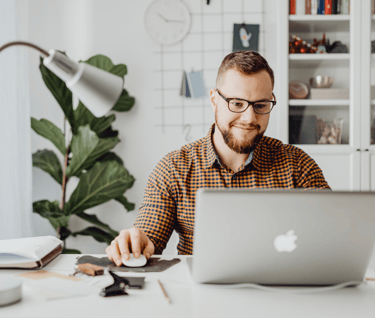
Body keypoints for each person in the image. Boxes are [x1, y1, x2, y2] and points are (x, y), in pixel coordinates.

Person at [106, 51, 330, 266]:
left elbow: (333, 235)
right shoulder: (174, 168)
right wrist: (136, 244)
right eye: (237, 103)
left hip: (280, 294)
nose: (249, 118)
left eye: (260, 105)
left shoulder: (298, 165)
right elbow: (149, 237)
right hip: (200, 297)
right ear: (214, 100)